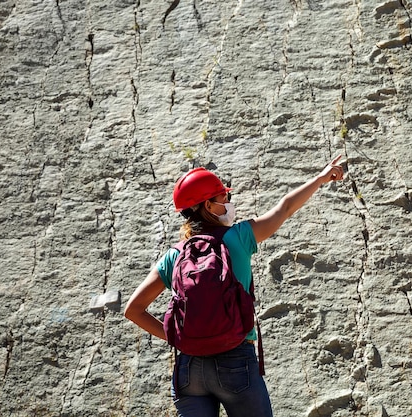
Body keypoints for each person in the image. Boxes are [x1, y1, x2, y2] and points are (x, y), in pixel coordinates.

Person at [124, 155, 345, 417]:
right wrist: (320, 178)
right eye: (224, 198)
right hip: (235, 361)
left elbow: (133, 310)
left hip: (188, 369)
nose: (229, 203)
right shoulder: (239, 237)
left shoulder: (175, 255)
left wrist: (179, 338)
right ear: (209, 205)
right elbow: (285, 208)